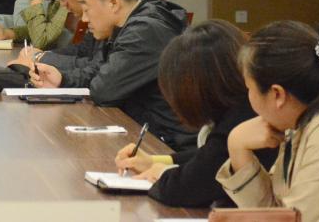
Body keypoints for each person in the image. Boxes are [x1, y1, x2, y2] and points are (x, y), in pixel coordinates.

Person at [30, 0, 196, 149]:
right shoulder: (127, 24)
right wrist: (63, 79)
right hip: (149, 132)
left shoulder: (144, 31)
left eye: (87, 8)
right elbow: (101, 69)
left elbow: (103, 90)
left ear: (113, 3)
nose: (84, 19)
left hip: (169, 145)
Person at [115, 20, 277, 208]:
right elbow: (209, 155)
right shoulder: (241, 107)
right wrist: (154, 161)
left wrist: (162, 174)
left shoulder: (242, 119)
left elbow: (183, 189)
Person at [216, 21, 319, 221]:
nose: (248, 97)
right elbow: (274, 211)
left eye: (249, 88)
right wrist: (237, 147)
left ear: (277, 94)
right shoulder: (300, 125)